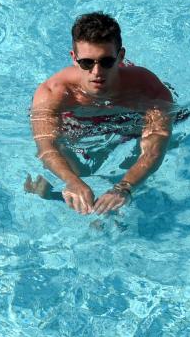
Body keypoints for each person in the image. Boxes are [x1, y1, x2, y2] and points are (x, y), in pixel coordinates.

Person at [26, 12, 178, 214]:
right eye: (87, 63)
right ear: (74, 58)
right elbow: (46, 146)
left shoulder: (148, 90)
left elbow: (154, 149)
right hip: (78, 123)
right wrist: (72, 181)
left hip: (129, 121)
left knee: (129, 186)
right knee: (43, 191)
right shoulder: (53, 92)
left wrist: (123, 188)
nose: (97, 72)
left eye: (106, 62)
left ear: (121, 56)